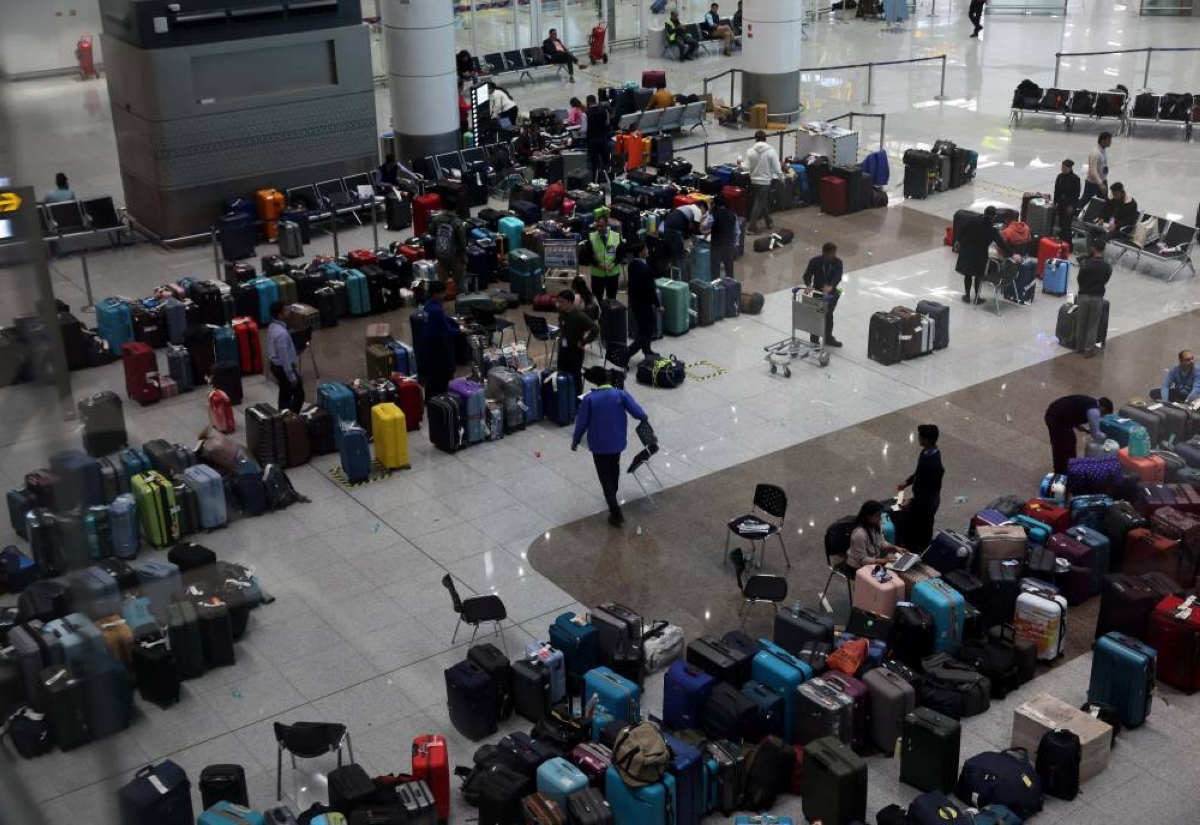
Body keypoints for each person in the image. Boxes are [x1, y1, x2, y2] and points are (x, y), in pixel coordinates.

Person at [572, 366, 650, 527]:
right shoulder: (620, 395)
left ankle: (616, 512)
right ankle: (612, 496)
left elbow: (581, 423)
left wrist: (575, 440)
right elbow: (638, 412)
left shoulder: (590, 399)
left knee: (604, 477)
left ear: (593, 381)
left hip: (598, 446)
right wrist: (643, 417)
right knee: (614, 470)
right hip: (617, 443)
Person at [895, 424, 944, 552]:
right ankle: (909, 545)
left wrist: (912, 501)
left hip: (927, 502)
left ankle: (920, 550)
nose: (918, 439)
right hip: (922, 499)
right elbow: (919, 472)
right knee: (912, 522)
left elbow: (930, 489)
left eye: (920, 437)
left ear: (926, 440)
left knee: (922, 528)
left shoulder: (934, 464)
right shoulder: (926, 452)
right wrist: (906, 482)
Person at [1044, 394, 1114, 475]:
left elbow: (1073, 410)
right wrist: (1108, 437)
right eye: (1105, 413)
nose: (1103, 416)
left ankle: (1066, 469)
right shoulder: (1094, 411)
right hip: (1056, 419)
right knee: (1062, 445)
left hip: (1057, 415)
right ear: (1103, 408)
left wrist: (1080, 427)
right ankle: (1062, 472)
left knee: (1068, 442)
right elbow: (1096, 434)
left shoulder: (1090, 402)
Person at [956, 206, 1006, 305]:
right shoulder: (992, 229)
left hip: (967, 250)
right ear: (993, 217)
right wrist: (1012, 253)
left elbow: (963, 229)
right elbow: (1001, 243)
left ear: (984, 212)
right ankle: (977, 297)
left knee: (968, 273)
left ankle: (967, 296)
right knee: (978, 275)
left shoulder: (974, 220)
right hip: (980, 254)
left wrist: (958, 240)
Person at [557, 290, 600, 397]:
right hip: (563, 349)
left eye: (562, 302)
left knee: (575, 377)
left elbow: (595, 329)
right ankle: (564, 397)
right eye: (559, 302)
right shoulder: (562, 312)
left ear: (570, 302)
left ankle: (577, 400)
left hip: (575, 352)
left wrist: (584, 342)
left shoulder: (579, 316)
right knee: (561, 373)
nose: (559, 304)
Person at [801, 243, 844, 348]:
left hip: (831, 294)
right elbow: (807, 275)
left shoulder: (838, 262)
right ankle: (814, 341)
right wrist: (808, 285)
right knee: (817, 315)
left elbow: (838, 276)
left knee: (829, 315)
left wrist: (831, 286)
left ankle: (828, 338)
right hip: (818, 293)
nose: (833, 256)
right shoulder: (815, 261)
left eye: (834, 253)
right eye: (830, 254)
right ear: (824, 253)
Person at [1075, 237, 1112, 357]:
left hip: (1084, 296)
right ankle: (1088, 350)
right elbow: (1105, 280)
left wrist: (1084, 288)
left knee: (1081, 322)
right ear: (1104, 249)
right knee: (1093, 325)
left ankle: (1079, 347)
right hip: (1097, 297)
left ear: (1094, 248)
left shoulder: (1085, 263)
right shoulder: (1107, 267)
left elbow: (1079, 279)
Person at [421, 283, 460, 397]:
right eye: (442, 293)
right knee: (443, 372)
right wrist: (460, 331)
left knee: (432, 373)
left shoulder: (427, 305)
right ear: (435, 294)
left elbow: (441, 319)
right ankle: (443, 396)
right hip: (437, 344)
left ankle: (429, 397)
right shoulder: (437, 309)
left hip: (428, 342)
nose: (444, 295)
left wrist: (452, 320)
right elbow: (446, 330)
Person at [626, 240, 661, 362]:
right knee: (646, 332)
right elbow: (651, 290)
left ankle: (647, 351)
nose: (648, 251)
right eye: (646, 249)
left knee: (642, 328)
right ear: (641, 253)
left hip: (635, 303)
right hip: (644, 304)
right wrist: (658, 305)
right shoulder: (645, 270)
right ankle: (626, 354)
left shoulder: (632, 265)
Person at [266, 302, 304, 414]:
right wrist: (291, 376)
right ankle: (291, 417)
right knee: (299, 394)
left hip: (275, 365)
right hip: (282, 368)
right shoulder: (281, 334)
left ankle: (282, 416)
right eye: (285, 310)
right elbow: (284, 358)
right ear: (279, 315)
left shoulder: (272, 326)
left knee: (284, 393)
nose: (288, 311)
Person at [847, 500, 903, 570]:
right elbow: (862, 560)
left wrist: (895, 547)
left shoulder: (875, 523)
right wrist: (883, 560)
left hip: (873, 560)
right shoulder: (859, 535)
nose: (880, 518)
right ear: (868, 516)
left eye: (880, 515)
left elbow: (881, 542)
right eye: (877, 516)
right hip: (858, 567)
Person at [746, 131, 783, 235]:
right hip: (765, 182)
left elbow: (746, 167)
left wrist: (740, 163)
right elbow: (777, 168)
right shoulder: (771, 151)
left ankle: (768, 221)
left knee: (760, 201)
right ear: (765, 139)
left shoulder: (750, 151)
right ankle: (751, 228)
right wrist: (782, 179)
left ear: (756, 139)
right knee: (759, 202)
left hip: (754, 181)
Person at [588, 211, 623, 301]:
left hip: (612, 274)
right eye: (598, 226)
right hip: (597, 275)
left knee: (611, 299)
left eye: (601, 226)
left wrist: (614, 264)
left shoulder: (616, 236)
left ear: (607, 225)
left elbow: (621, 254)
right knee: (596, 299)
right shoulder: (591, 237)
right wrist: (598, 264)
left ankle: (609, 315)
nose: (599, 228)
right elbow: (587, 256)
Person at [430, 210, 469, 291]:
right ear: (455, 208)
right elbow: (463, 242)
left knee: (440, 285)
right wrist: (464, 257)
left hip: (442, 255)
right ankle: (461, 301)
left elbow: (431, 232)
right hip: (456, 257)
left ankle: (437, 302)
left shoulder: (437, 219)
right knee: (460, 284)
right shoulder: (458, 222)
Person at [662, 201, 706, 273]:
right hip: (675, 229)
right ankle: (682, 278)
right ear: (702, 207)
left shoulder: (686, 207)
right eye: (704, 211)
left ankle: (673, 274)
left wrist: (687, 237)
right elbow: (696, 230)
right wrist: (705, 232)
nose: (703, 214)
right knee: (680, 255)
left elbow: (686, 228)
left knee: (674, 253)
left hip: (666, 227)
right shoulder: (697, 210)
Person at [708, 195, 739, 280]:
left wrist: (709, 212)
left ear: (715, 204)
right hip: (728, 245)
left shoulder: (713, 215)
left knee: (715, 270)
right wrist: (735, 244)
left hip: (716, 246)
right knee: (729, 269)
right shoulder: (733, 215)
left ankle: (716, 289)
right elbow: (736, 232)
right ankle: (731, 287)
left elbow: (706, 226)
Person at [1053, 159, 1081, 242]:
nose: (1062, 169)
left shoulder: (1075, 179)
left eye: (1064, 167)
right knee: (1061, 224)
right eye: (1062, 167)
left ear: (1069, 168)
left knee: (1066, 225)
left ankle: (1068, 244)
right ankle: (1061, 241)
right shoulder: (1060, 177)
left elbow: (1076, 195)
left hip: (1069, 205)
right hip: (1061, 203)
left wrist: (1071, 206)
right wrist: (1055, 202)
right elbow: (1056, 191)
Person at [585, 94, 611, 183]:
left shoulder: (586, 113)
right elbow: (607, 123)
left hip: (592, 142)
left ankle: (595, 182)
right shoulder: (604, 110)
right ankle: (607, 179)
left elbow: (584, 129)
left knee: (594, 164)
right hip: (603, 140)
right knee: (606, 161)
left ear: (588, 102)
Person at [1082, 132, 1112, 205]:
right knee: (1084, 200)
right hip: (1092, 183)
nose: (1111, 142)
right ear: (1102, 141)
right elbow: (1093, 171)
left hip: (1102, 181)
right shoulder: (1095, 153)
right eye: (1109, 140)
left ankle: (1103, 215)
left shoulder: (1103, 150)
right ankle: (1075, 213)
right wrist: (1101, 184)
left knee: (1104, 201)